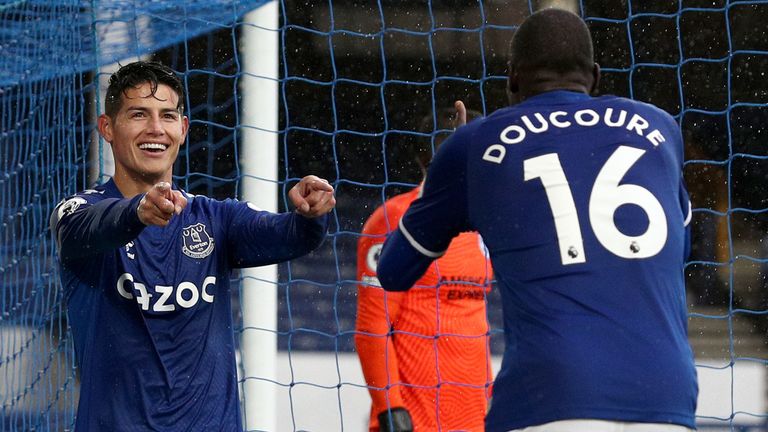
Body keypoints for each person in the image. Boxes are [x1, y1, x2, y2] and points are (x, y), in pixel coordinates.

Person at [376, 8, 697, 432]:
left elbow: (394, 272)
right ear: (596, 77)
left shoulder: (476, 142)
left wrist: (449, 181)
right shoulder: (660, 128)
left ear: (511, 79)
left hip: (551, 397)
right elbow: (681, 250)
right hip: (667, 395)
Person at [50, 61, 335, 431]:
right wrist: (137, 212)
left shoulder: (215, 218)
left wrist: (309, 216)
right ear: (107, 127)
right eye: (138, 114)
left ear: (183, 129)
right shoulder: (79, 212)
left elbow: (287, 235)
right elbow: (83, 229)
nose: (156, 129)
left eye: (167, 116)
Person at [355, 104, 493, 432]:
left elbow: (476, 321)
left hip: (474, 418)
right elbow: (373, 326)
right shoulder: (392, 220)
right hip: (414, 420)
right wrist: (390, 408)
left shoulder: (484, 221)